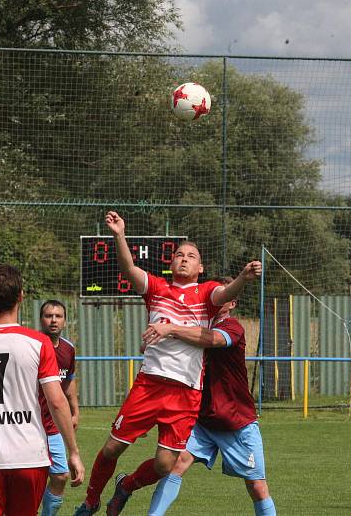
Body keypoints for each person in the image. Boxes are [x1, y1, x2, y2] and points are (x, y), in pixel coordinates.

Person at [73, 211, 261, 516]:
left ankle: (126, 486)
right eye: (178, 254)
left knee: (165, 464)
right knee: (112, 448)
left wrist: (242, 278)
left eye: (191, 256)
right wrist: (119, 235)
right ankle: (90, 502)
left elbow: (227, 292)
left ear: (200, 267)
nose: (184, 258)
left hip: (186, 393)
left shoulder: (206, 294)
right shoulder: (158, 289)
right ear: (171, 263)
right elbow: (128, 268)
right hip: (149, 384)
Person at [0, 264, 85, 516]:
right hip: (29, 457)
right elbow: (57, 402)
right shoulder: (39, 343)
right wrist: (74, 452)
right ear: (21, 296)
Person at [143, 276, 276, 516]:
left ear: (231, 303)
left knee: (257, 487)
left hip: (236, 422)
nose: (216, 298)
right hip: (202, 420)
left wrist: (171, 329)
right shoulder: (192, 324)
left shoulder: (232, 328)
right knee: (176, 465)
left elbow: (213, 339)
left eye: (223, 294)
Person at [38, 299, 80, 516]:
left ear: (64, 320)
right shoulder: (32, 345)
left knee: (61, 476)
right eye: (48, 316)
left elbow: (69, 380)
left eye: (58, 316)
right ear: (41, 319)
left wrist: (75, 411)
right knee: (31, 479)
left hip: (54, 425)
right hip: (31, 424)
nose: (53, 320)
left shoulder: (68, 349)